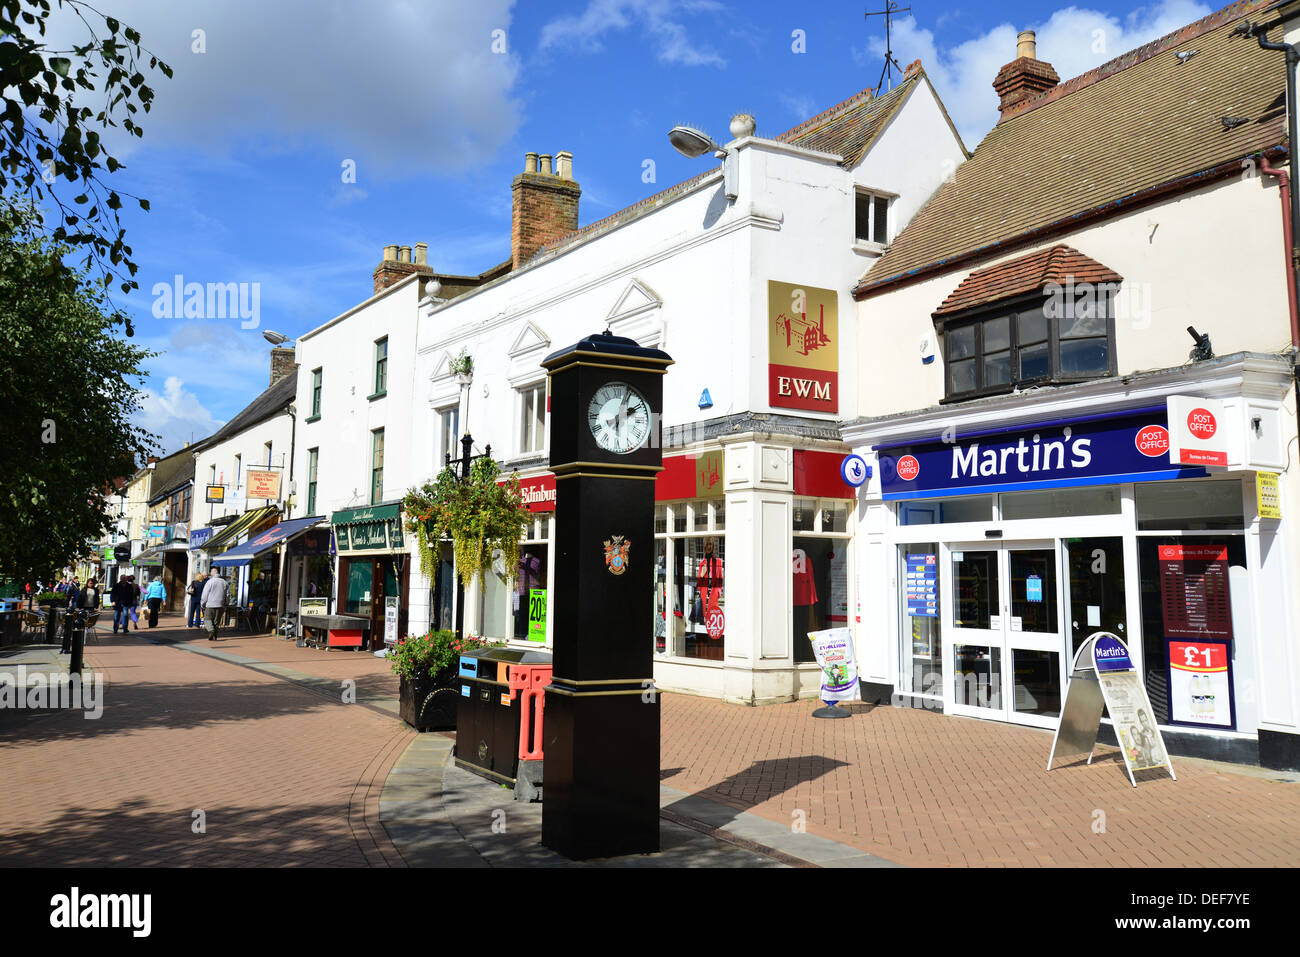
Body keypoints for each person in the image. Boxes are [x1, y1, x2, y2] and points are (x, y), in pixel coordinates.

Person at [201, 570, 228, 641]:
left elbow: (205, 594)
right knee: (216, 621)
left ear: (212, 574)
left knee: (207, 619)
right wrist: (226, 603)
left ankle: (211, 630)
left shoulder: (209, 582)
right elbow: (227, 595)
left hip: (210, 604)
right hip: (220, 605)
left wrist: (203, 603)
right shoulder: (224, 582)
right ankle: (215, 636)